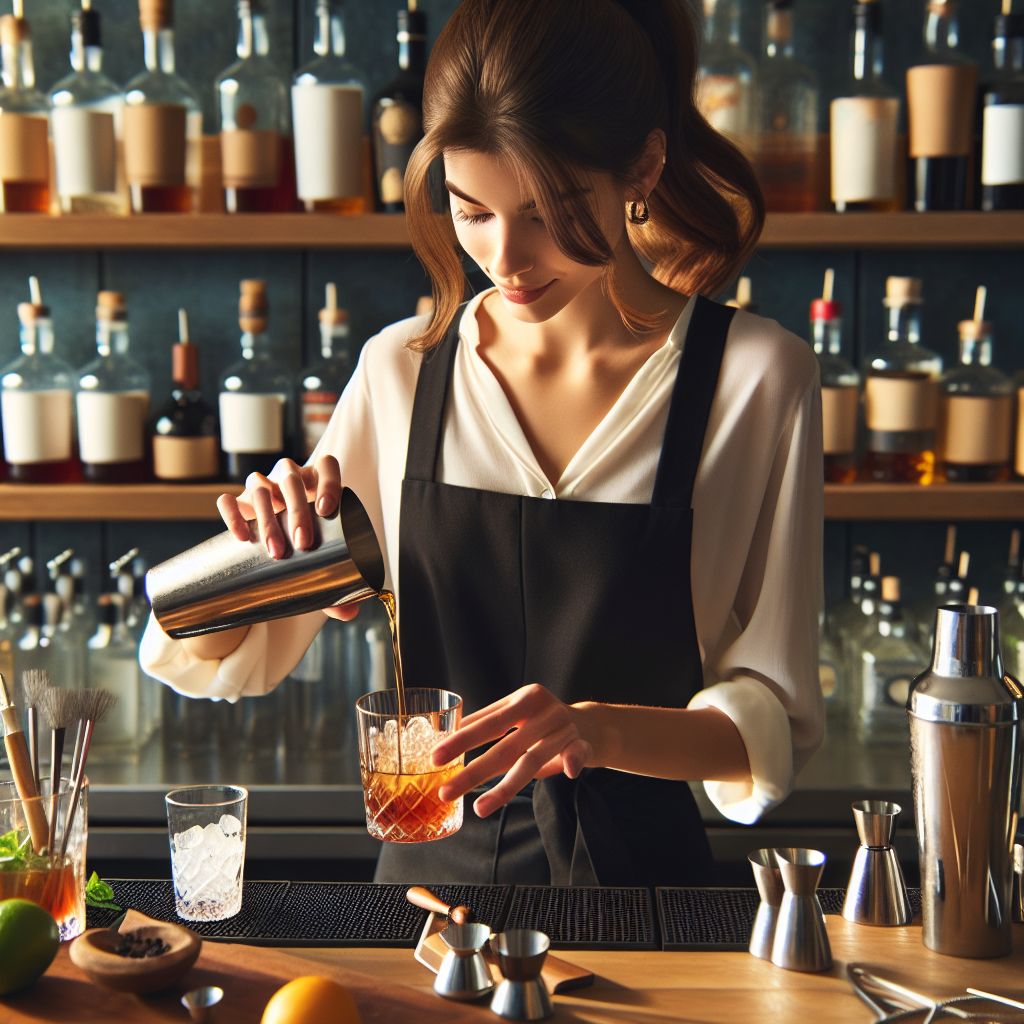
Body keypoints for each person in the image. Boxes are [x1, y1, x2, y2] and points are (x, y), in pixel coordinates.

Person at [141, 0, 823, 886]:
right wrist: (255, 551)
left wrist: (600, 730)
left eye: (549, 212)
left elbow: (772, 718)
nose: (506, 257)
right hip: (424, 898)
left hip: (649, 907)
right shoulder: (402, 370)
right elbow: (232, 659)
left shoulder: (758, 379)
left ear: (644, 166)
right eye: (472, 211)